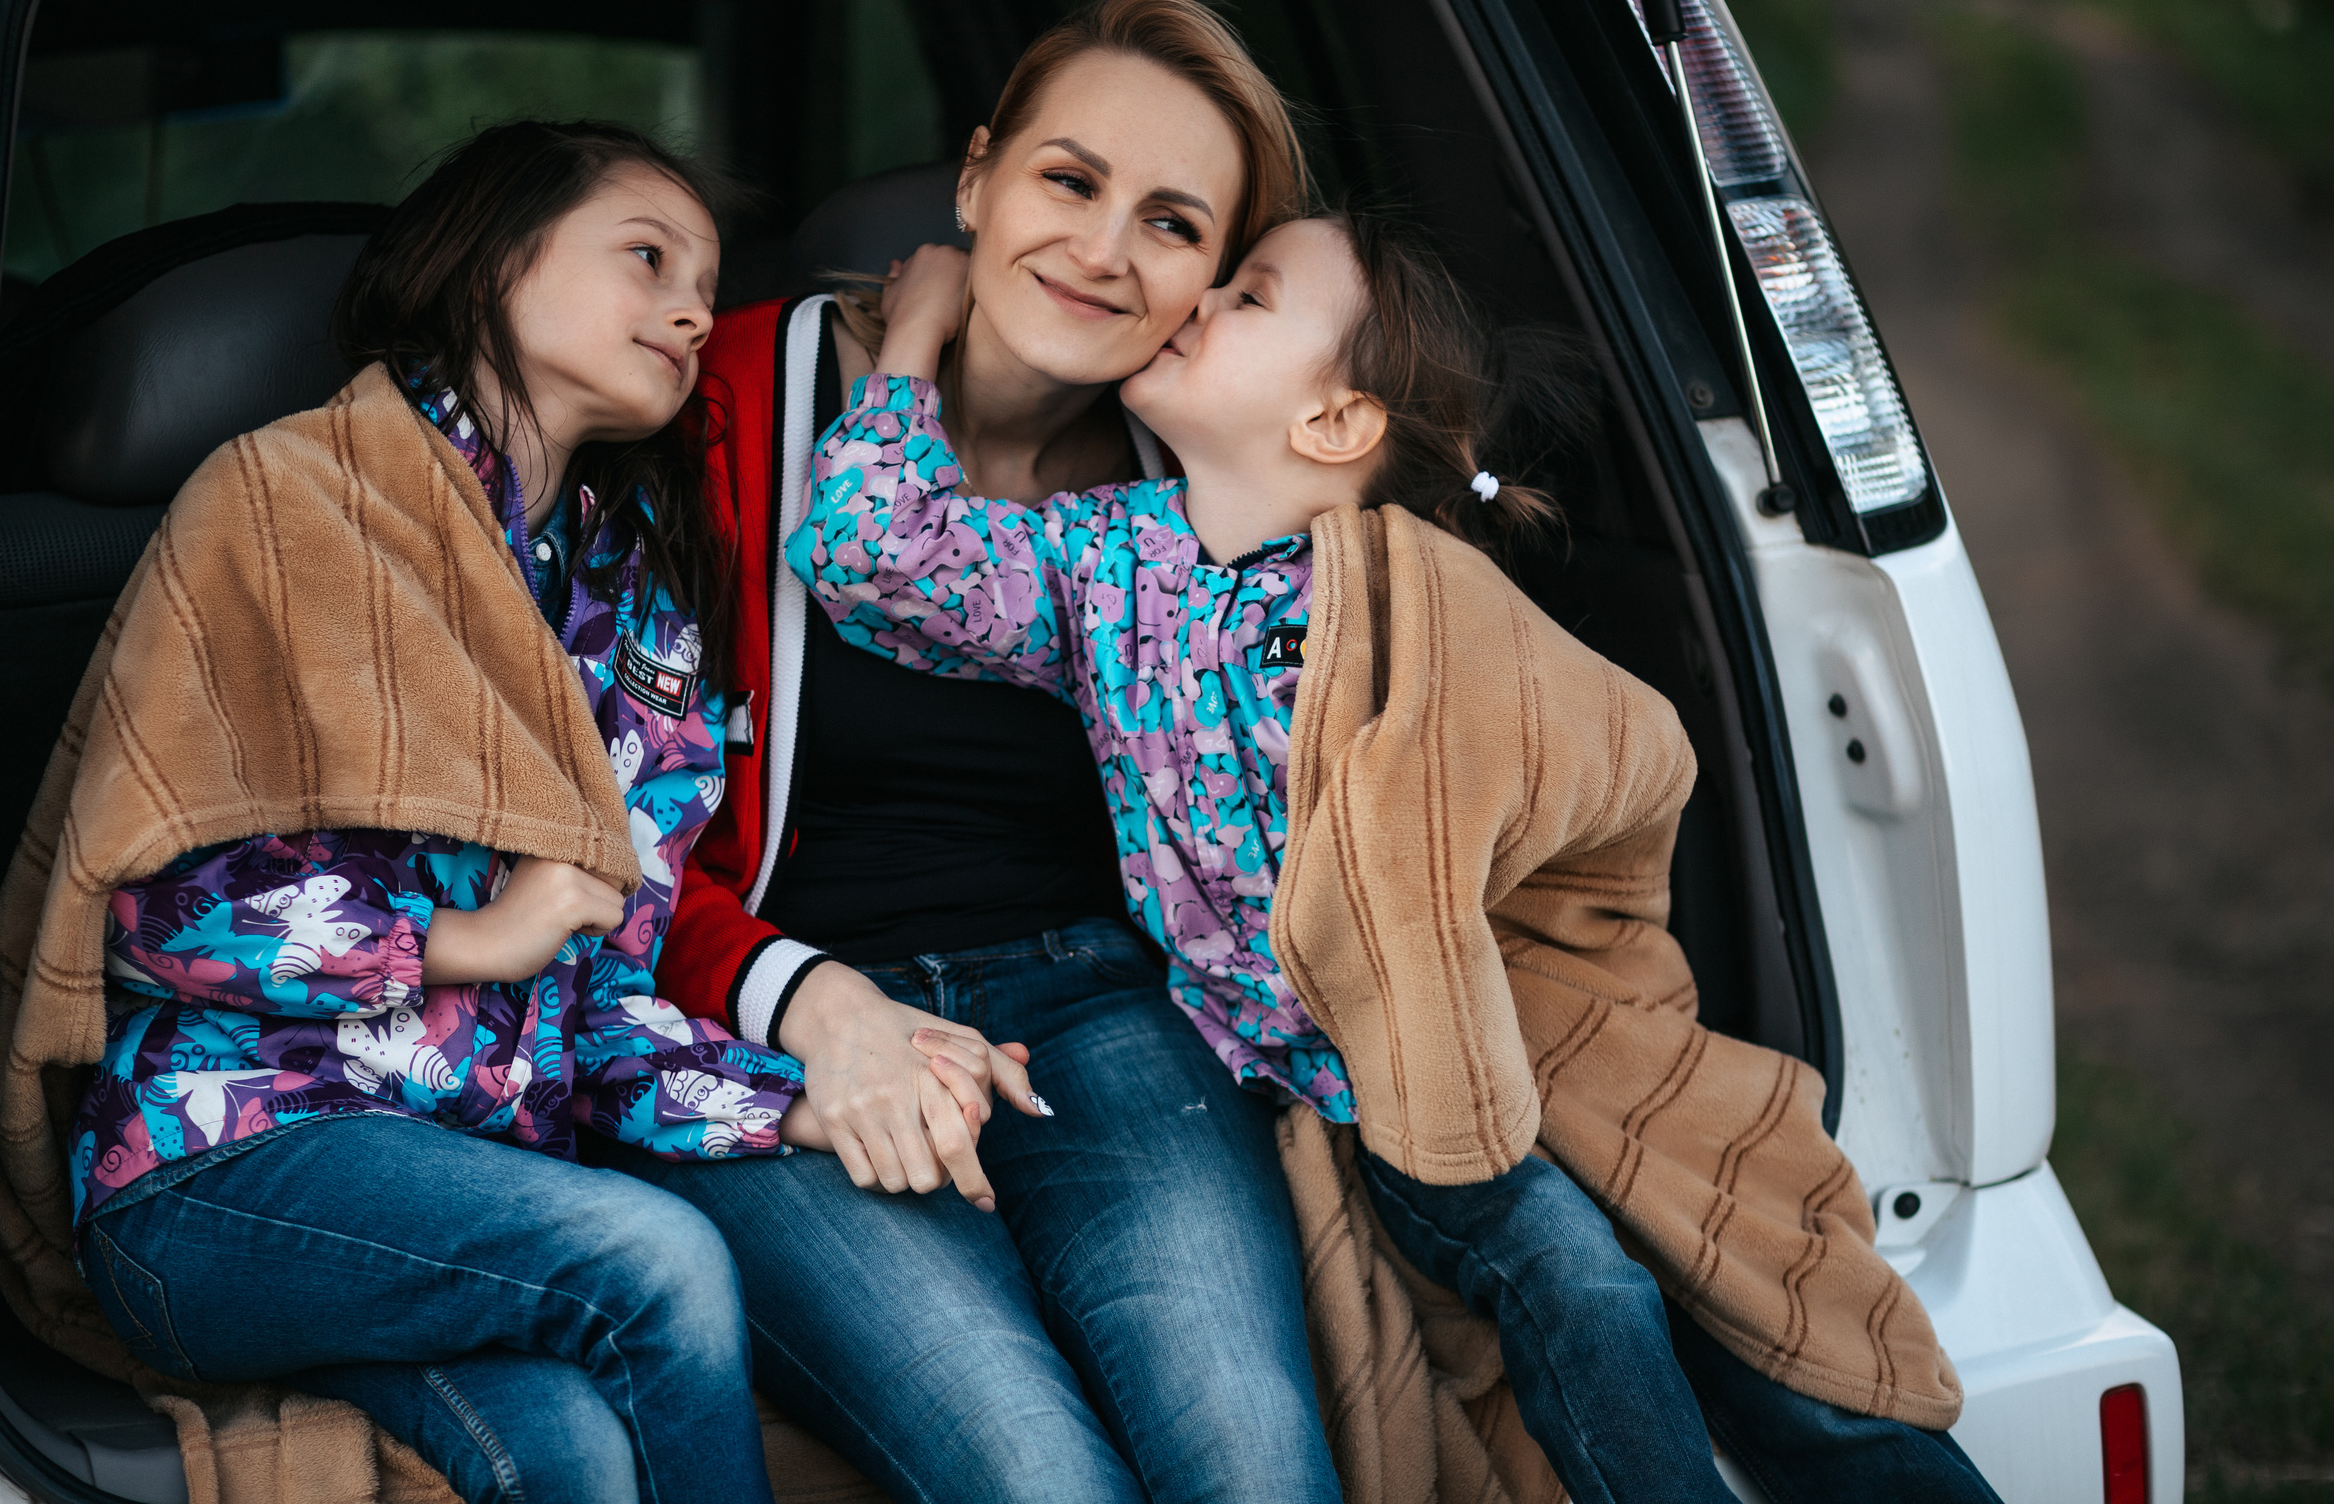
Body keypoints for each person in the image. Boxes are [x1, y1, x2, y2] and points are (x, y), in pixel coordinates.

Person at [789, 209, 2007, 1504]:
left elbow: (1604, 756)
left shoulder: (1407, 597)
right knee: (1575, 1277)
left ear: (1333, 424)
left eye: (1246, 296)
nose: (1194, 299)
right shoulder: (1105, 564)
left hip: (1455, 1065)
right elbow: (867, 551)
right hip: (1328, 1094)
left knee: (1689, 1307)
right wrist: (915, 333)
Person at [629, 0, 1345, 1503]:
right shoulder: (714, 407)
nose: (1101, 250)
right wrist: (814, 1002)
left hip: (1102, 1011)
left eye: (1170, 222)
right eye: (1068, 181)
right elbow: (591, 836)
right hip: (776, 1036)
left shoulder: (1217, 483)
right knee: (1031, 1473)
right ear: (975, 180)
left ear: (1215, 282)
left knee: (1253, 1460)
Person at [63, 121, 835, 1504]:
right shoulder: (285, 501)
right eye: (647, 256)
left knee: (574, 1453)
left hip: (453, 1193)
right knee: (656, 1261)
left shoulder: (636, 608)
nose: (692, 310)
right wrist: (472, 941)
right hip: (216, 1171)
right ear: (492, 258)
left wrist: (792, 1103)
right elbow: (148, 910)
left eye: (707, 284)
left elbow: (599, 999)